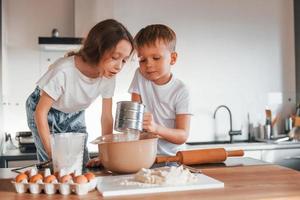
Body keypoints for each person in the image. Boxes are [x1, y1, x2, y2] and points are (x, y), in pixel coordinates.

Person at [26, 19, 134, 166]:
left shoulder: (108, 76)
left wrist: (105, 155)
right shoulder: (63, 71)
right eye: (115, 57)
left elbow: (107, 117)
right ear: (97, 48)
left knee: (81, 165)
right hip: (46, 112)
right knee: (55, 166)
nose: (119, 66)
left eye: (124, 60)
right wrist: (53, 154)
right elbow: (40, 113)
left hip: (75, 113)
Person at [128, 24, 192, 156]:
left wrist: (156, 129)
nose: (148, 64)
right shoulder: (139, 75)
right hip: (144, 155)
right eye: (142, 59)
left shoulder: (181, 91)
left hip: (172, 158)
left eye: (156, 58)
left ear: (172, 59)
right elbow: (134, 120)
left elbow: (183, 135)